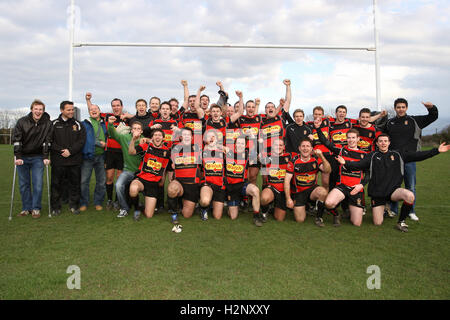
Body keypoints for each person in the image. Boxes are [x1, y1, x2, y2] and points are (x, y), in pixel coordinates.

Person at [337, 134, 449, 232]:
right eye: (380, 141)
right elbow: (359, 165)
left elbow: (418, 155)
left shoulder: (398, 154)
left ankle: (401, 222)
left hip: (393, 191)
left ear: (389, 142)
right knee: (377, 223)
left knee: (409, 196)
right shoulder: (372, 156)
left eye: (385, 141)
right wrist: (345, 162)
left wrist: (436, 151)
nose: (383, 143)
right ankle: (385, 208)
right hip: (378, 193)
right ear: (377, 143)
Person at [384, 99, 439, 221]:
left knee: (411, 186)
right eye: (398, 107)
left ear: (407, 108)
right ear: (395, 108)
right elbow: (381, 135)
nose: (401, 109)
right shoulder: (389, 123)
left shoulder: (415, 121)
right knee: (394, 186)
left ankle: (411, 211)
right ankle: (393, 210)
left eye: (403, 107)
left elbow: (433, 117)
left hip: (410, 158)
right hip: (394, 160)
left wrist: (431, 107)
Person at [315, 122, 368, 227]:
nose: (351, 140)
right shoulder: (341, 151)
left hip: (356, 189)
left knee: (357, 223)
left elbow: (369, 173)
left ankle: (351, 210)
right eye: (349, 138)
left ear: (358, 139)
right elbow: (325, 142)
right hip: (342, 186)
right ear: (346, 139)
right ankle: (336, 214)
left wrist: (361, 185)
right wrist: (318, 128)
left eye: (353, 138)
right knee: (329, 203)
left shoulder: (364, 155)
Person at [86, 93, 128, 210]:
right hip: (109, 152)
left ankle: (117, 200)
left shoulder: (126, 118)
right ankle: (109, 199)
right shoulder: (106, 116)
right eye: (113, 105)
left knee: (119, 178)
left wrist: (129, 115)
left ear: (121, 106)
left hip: (122, 153)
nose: (116, 107)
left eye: (118, 105)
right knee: (109, 177)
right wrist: (88, 100)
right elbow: (93, 110)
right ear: (112, 107)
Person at [12, 99, 52, 218]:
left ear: (43, 111)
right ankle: (26, 208)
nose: (38, 111)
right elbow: (17, 140)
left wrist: (45, 156)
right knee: (24, 184)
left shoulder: (47, 123)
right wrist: (18, 156)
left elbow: (47, 141)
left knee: (38, 184)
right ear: (31, 109)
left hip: (38, 158)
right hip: (23, 157)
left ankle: (36, 209)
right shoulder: (22, 121)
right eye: (36, 109)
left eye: (40, 109)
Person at [284, 138, 331, 227]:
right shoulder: (293, 161)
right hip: (298, 193)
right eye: (303, 146)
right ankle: (306, 206)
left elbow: (327, 170)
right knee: (300, 220)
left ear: (311, 148)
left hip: (312, 190)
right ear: (299, 148)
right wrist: (288, 198)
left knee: (323, 192)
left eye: (308, 146)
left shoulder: (316, 159)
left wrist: (322, 156)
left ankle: (319, 217)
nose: (305, 148)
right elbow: (286, 181)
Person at [50, 101, 86, 215]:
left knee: (75, 184)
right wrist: (62, 150)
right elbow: (49, 140)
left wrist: (70, 151)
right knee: (56, 184)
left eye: (72, 109)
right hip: (58, 160)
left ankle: (74, 205)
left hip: (74, 160)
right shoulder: (53, 124)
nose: (71, 112)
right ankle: (55, 207)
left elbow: (81, 141)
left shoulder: (78, 124)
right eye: (68, 110)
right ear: (61, 110)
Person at [107, 117, 145, 219]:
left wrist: (148, 139)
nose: (136, 131)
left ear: (141, 131)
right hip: (128, 170)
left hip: (142, 172)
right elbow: (113, 134)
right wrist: (110, 124)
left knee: (147, 188)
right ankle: (124, 208)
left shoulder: (144, 140)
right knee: (119, 185)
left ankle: (145, 205)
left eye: (138, 129)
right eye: (134, 128)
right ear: (131, 130)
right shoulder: (124, 138)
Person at [128, 128, 170, 219]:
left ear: (163, 138)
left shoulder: (167, 152)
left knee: (149, 215)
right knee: (133, 189)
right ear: (152, 138)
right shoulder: (146, 146)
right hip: (142, 180)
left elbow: (169, 167)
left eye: (159, 135)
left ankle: (143, 207)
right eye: (155, 135)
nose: (157, 137)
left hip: (154, 184)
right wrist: (133, 140)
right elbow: (131, 152)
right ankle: (136, 209)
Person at [166, 128, 203, 224]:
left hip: (192, 185)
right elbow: (172, 165)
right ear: (181, 137)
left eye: (189, 134)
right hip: (179, 182)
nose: (187, 136)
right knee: (172, 189)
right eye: (184, 134)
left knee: (187, 215)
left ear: (192, 137)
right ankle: (174, 212)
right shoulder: (175, 148)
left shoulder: (197, 148)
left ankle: (181, 202)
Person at [224, 134, 262, 226]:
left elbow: (260, 159)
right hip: (231, 187)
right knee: (233, 216)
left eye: (242, 143)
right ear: (235, 144)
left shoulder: (248, 155)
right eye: (238, 143)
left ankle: (256, 216)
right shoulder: (228, 152)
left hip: (242, 185)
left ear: (245, 145)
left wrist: (260, 155)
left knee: (255, 190)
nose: (240, 145)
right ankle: (234, 203)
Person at [79, 103, 107, 212]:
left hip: (101, 157)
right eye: (91, 109)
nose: (93, 110)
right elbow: (84, 138)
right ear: (89, 112)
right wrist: (100, 144)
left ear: (100, 111)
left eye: (96, 109)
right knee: (84, 181)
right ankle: (83, 202)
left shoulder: (104, 123)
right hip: (88, 156)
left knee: (101, 181)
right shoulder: (84, 124)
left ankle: (98, 202)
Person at [260, 138, 291, 222]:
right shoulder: (268, 157)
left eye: (280, 145)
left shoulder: (289, 156)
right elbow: (262, 163)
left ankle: (273, 207)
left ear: (284, 147)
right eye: (276, 145)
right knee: (264, 198)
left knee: (279, 219)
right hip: (272, 188)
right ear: (272, 146)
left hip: (284, 190)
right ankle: (264, 212)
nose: (278, 147)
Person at [199, 130, 228, 220]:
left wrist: (218, 145)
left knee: (217, 216)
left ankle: (212, 203)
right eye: (209, 136)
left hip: (220, 185)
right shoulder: (201, 152)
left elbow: (229, 150)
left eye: (213, 136)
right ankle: (204, 208)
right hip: (208, 184)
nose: (211, 138)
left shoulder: (223, 151)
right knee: (204, 201)